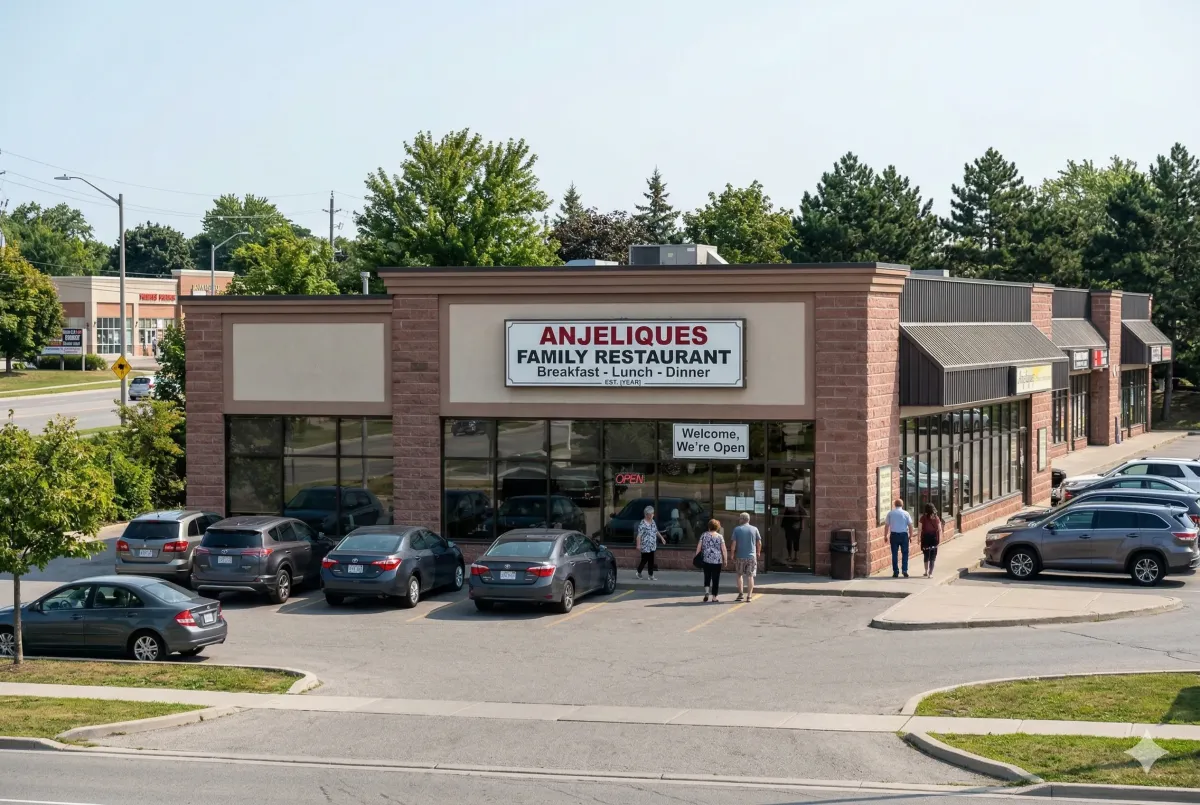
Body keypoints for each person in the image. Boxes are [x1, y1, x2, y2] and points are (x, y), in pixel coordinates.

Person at [730, 512, 762, 601]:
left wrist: (732, 554)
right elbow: (759, 542)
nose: (739, 520)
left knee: (739, 575)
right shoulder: (754, 529)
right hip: (751, 556)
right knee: (750, 576)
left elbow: (733, 544)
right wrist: (758, 552)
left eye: (740, 518)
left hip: (740, 556)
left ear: (742, 519)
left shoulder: (737, 529)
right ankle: (749, 596)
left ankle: (740, 594)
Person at [693, 519, 727, 603]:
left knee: (707, 576)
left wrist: (696, 557)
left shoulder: (704, 535)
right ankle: (714, 597)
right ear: (717, 527)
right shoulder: (720, 536)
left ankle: (707, 592)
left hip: (706, 559)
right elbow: (724, 549)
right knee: (716, 579)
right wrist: (725, 559)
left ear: (709, 526)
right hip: (717, 561)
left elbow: (699, 547)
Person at [635, 505, 666, 580]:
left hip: (652, 545)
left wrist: (662, 538)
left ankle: (651, 575)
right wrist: (638, 545)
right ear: (647, 515)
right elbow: (639, 536)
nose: (653, 515)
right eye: (651, 514)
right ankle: (639, 572)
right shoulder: (642, 524)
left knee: (651, 560)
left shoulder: (653, 522)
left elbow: (656, 531)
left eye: (653, 513)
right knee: (644, 560)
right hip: (645, 546)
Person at [886, 499, 914, 578]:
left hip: (894, 535)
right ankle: (904, 570)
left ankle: (895, 571)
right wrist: (911, 536)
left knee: (894, 554)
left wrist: (885, 535)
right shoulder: (906, 513)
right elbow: (910, 526)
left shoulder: (891, 513)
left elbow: (887, 525)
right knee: (905, 553)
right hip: (904, 535)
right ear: (902, 505)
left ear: (894, 504)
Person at [919, 503, 943, 578]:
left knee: (926, 555)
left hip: (925, 538)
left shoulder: (923, 518)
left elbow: (919, 529)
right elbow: (939, 529)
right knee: (933, 556)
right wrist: (940, 539)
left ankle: (926, 571)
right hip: (934, 538)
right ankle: (930, 573)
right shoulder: (936, 518)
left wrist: (918, 539)